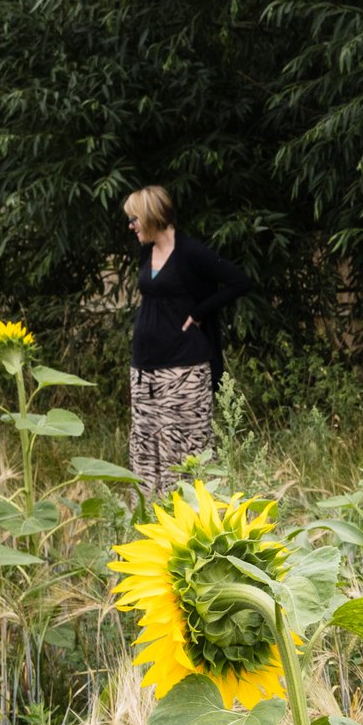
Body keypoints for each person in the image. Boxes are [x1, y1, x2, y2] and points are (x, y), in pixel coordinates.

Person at [121, 185, 252, 496]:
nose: (131, 226)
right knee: (145, 447)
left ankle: (192, 520)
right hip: (144, 371)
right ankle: (152, 518)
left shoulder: (190, 252)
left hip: (183, 371)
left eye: (134, 219)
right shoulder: (147, 250)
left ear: (151, 217)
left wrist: (199, 311)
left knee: (184, 448)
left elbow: (239, 281)